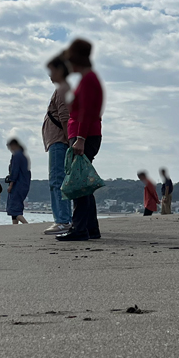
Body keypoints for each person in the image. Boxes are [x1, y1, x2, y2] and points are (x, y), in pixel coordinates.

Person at [56, 39, 102, 241]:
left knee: (79, 184)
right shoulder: (88, 78)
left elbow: (87, 111)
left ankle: (80, 228)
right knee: (83, 184)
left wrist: (80, 138)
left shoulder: (88, 79)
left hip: (84, 135)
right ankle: (90, 228)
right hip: (86, 134)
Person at [41, 57, 73, 234]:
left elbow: (65, 117)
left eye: (52, 71)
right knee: (60, 181)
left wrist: (69, 141)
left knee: (57, 181)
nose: (50, 75)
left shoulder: (62, 89)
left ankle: (62, 220)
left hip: (59, 142)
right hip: (59, 141)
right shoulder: (63, 89)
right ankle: (65, 219)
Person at [6, 139, 31, 225]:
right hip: (24, 184)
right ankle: (15, 227)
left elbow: (14, 171)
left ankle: (26, 224)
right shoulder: (23, 156)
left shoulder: (16, 156)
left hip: (17, 185)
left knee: (14, 208)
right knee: (16, 207)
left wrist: (11, 184)